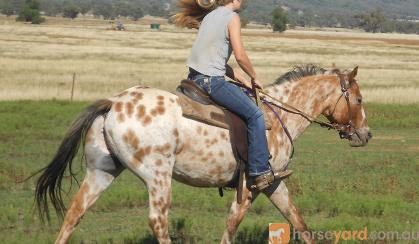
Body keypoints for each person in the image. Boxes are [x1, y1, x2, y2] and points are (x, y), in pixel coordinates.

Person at [174, 0, 291, 191]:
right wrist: (254, 76)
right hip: (212, 82)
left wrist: (243, 80)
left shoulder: (210, 16)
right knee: (256, 115)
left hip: (194, 79)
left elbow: (216, 60)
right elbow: (241, 56)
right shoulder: (232, 17)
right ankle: (260, 172)